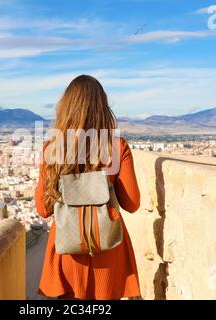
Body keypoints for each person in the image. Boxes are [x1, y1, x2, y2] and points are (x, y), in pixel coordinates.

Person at [35, 74, 141, 300]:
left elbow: (43, 209)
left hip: (67, 250)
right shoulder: (117, 147)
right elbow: (132, 203)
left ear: (65, 109)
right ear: (103, 109)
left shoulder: (52, 149)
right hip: (108, 250)